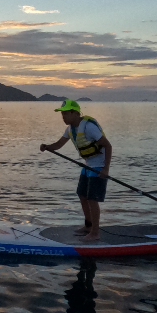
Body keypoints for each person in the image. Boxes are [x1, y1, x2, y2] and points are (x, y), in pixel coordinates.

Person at [39, 99, 113, 241]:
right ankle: (88, 226)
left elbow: (108, 146)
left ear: (75, 113)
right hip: (87, 165)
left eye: (66, 113)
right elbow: (59, 144)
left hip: (99, 165)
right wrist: (47, 146)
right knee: (82, 195)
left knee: (92, 199)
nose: (63, 117)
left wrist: (106, 169)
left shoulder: (89, 127)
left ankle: (95, 233)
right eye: (62, 114)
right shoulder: (70, 129)